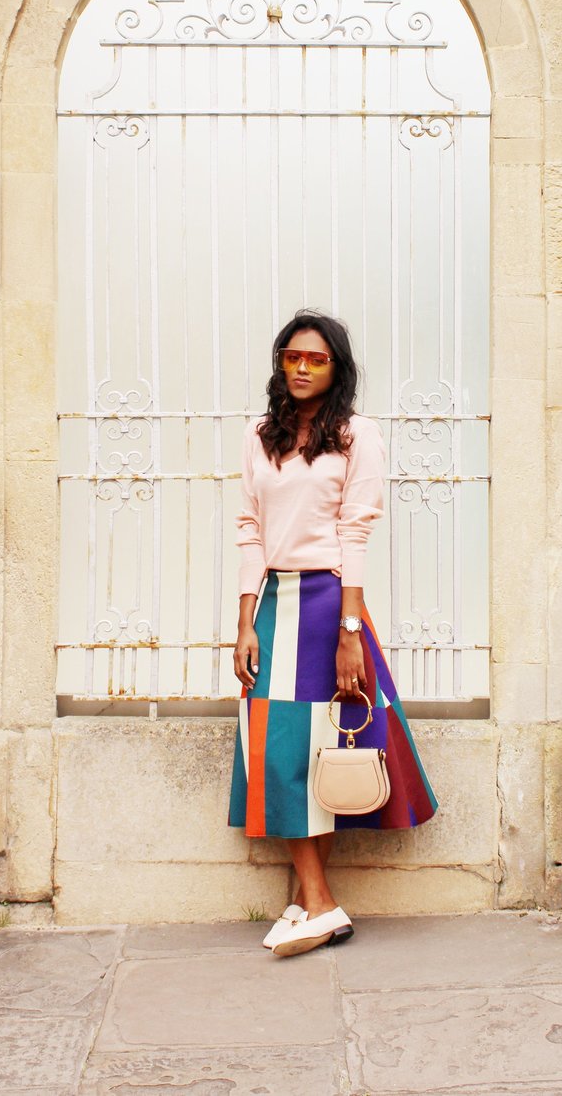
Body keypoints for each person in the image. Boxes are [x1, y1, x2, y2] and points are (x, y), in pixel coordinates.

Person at [228, 309, 438, 957]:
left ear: (336, 369)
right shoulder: (261, 434)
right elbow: (248, 527)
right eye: (290, 355)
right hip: (274, 607)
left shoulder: (356, 435)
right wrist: (244, 619)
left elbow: (355, 530)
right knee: (280, 754)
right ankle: (312, 902)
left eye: (315, 359)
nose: (299, 366)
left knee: (317, 753)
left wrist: (350, 629)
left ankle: (313, 902)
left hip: (326, 608)